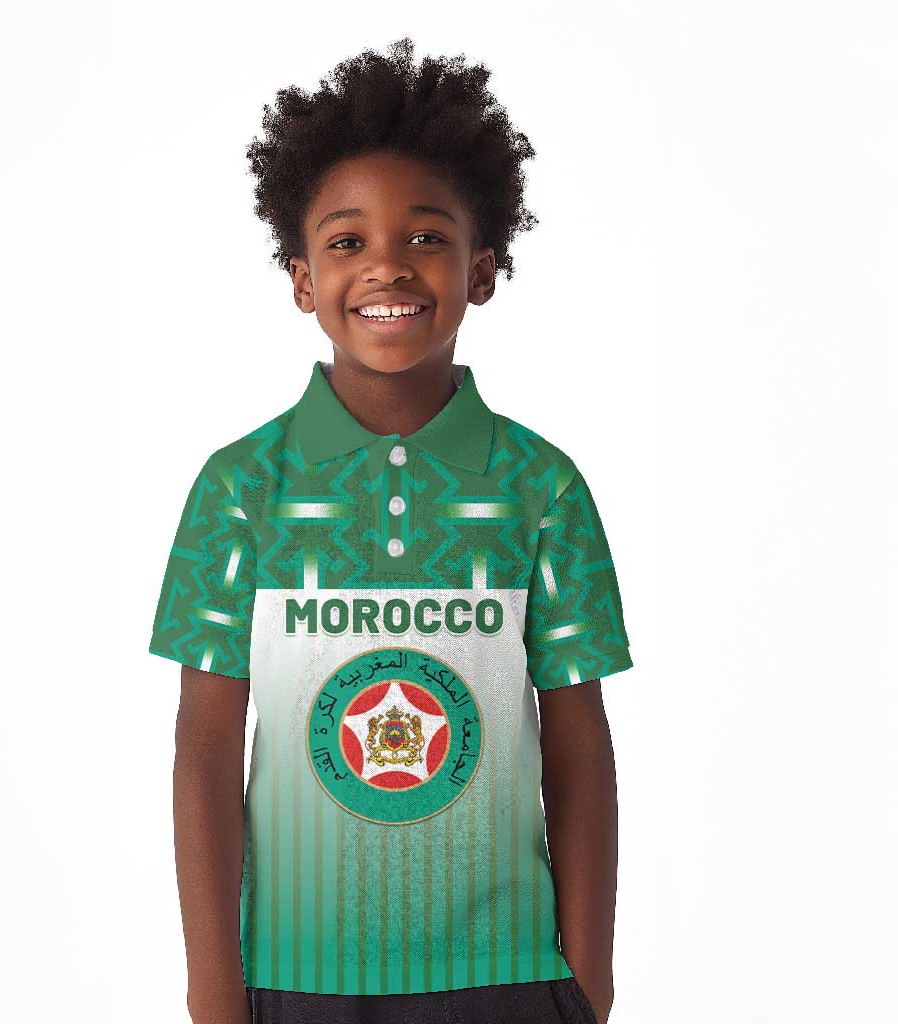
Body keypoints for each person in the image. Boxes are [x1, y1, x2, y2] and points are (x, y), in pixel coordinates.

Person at [148, 37, 632, 1024]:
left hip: (506, 972)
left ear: (481, 269)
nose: (385, 265)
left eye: (423, 236)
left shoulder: (541, 487)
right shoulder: (240, 489)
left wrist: (587, 977)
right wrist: (213, 991)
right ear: (300, 279)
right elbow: (205, 744)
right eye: (345, 242)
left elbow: (577, 738)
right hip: (294, 973)